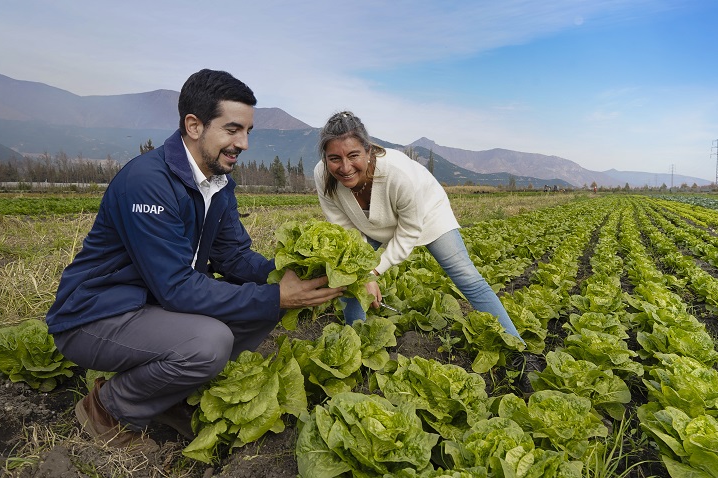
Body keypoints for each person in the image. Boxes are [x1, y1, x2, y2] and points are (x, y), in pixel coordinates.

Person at [45, 69, 344, 451]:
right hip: (95, 315)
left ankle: (169, 394)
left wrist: (290, 274)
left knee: (263, 298)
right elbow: (176, 288)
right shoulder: (148, 182)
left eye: (248, 131)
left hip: (151, 305)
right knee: (210, 342)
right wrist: (278, 297)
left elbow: (233, 255)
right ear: (194, 125)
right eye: (233, 129)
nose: (244, 143)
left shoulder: (218, 182)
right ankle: (109, 409)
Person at [313, 111, 524, 344]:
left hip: (427, 215)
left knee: (468, 278)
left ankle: (515, 346)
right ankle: (354, 346)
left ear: (368, 150)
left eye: (353, 155)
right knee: (348, 275)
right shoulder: (322, 175)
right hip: (370, 224)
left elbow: (408, 232)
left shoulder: (398, 174)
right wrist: (361, 274)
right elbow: (345, 229)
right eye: (334, 158)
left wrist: (372, 272)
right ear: (325, 157)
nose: (345, 167)